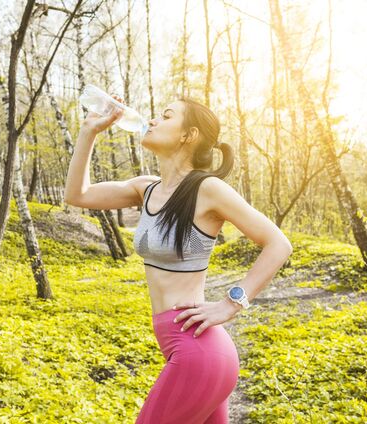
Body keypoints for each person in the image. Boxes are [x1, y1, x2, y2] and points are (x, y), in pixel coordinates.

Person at [64, 94, 293, 423]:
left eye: (167, 116)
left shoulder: (207, 189)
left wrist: (231, 303)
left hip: (198, 354)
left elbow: (278, 243)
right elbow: (78, 195)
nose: (153, 120)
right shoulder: (146, 188)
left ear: (189, 135)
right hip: (188, 350)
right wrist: (89, 132)